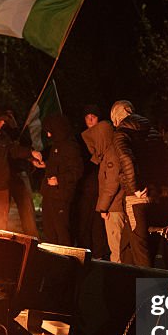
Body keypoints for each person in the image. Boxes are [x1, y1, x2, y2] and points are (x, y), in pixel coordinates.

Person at [112, 100, 168, 267]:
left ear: (117, 119)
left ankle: (146, 288)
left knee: (142, 253)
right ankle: (122, 284)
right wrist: (165, 185)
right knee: (127, 246)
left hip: (137, 199)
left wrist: (136, 188)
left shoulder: (121, 133)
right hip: (155, 197)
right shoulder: (152, 131)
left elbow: (127, 159)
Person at [35, 113, 84, 245]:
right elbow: (59, 164)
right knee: (49, 230)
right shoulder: (57, 145)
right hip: (50, 195)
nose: (48, 135)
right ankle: (53, 259)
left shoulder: (70, 146)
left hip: (61, 196)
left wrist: (59, 180)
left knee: (62, 232)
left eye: (50, 132)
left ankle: (66, 261)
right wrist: (46, 165)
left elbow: (77, 170)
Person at [82, 115, 124, 261]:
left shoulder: (112, 154)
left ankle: (119, 279)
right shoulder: (108, 153)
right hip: (113, 206)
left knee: (116, 248)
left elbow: (112, 184)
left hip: (114, 207)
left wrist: (103, 208)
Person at [74, 106, 110, 258]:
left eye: (93, 116)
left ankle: (99, 253)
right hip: (86, 186)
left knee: (98, 222)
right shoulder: (81, 139)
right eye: (87, 116)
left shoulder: (106, 137)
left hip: (101, 187)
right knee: (84, 220)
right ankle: (84, 252)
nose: (90, 119)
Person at [2, 110, 40, 237]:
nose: (9, 119)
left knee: (27, 213)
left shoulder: (22, 134)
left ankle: (32, 239)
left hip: (20, 174)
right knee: (1, 214)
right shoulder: (1, 136)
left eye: (11, 116)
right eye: (7, 116)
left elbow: (26, 151)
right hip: (6, 177)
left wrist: (30, 157)